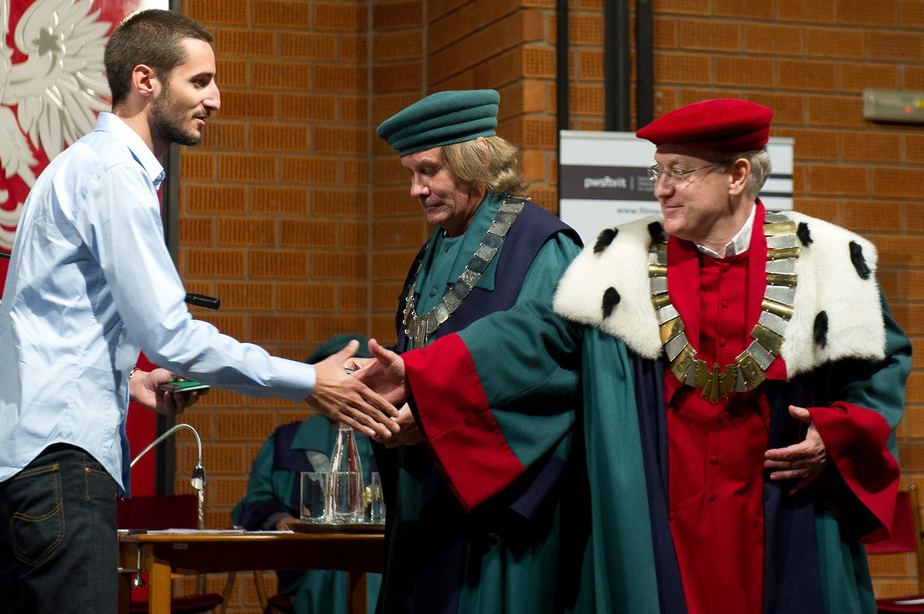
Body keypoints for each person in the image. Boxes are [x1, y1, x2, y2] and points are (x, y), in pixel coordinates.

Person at [360, 98, 912, 614]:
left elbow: (882, 366)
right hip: (658, 526)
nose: (662, 189)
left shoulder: (830, 261)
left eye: (680, 172)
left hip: (783, 518)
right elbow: (536, 335)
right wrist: (420, 372)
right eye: (658, 171)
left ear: (738, 175)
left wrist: (836, 435)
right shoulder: (619, 263)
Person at [0, 9, 398, 614]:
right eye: (199, 82)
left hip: (25, 465)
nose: (216, 99)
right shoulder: (116, 173)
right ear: (146, 80)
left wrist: (132, 380)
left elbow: (53, 321)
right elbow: (170, 334)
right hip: (61, 467)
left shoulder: (79, 163)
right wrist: (309, 380)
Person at [362, 89, 583, 614]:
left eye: (429, 171)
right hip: (427, 490)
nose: (416, 190)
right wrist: (381, 383)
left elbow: (548, 357)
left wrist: (437, 407)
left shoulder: (543, 244)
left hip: (500, 508)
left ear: (477, 159)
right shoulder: (434, 248)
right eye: (410, 173)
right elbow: (420, 347)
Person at [232, 334, 382, 614]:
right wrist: (282, 520)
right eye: (344, 375)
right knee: (340, 568)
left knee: (369, 567)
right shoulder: (286, 442)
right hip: (309, 560)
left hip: (381, 555)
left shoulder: (391, 436)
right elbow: (257, 500)